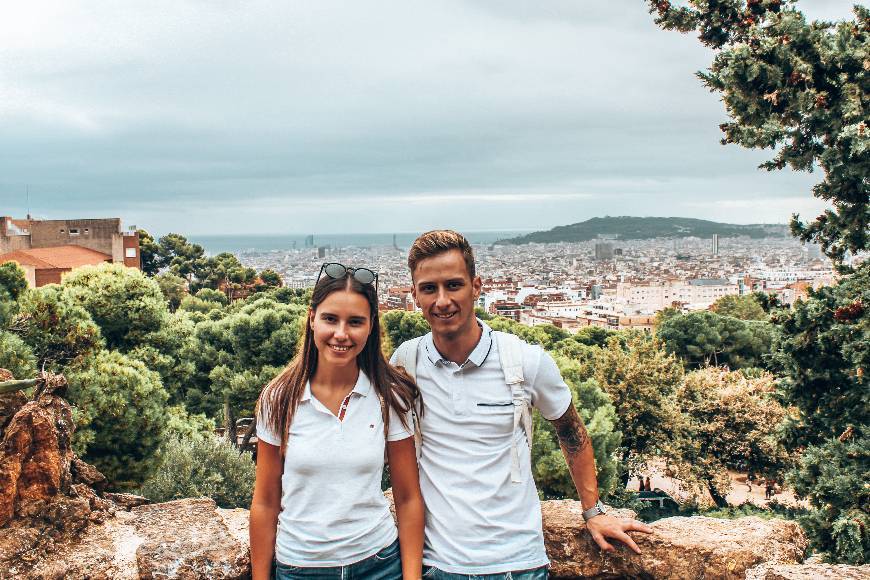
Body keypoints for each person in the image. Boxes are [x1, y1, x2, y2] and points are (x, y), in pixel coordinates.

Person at [391, 230, 652, 579]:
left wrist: (594, 511)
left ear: (476, 286)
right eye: (429, 289)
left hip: (518, 562)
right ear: (414, 295)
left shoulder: (524, 361)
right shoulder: (406, 363)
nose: (442, 301)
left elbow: (570, 430)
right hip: (438, 563)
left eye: (453, 285)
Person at [250, 263, 424, 580]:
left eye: (355, 322)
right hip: (301, 566)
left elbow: (408, 496)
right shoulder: (279, 398)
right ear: (312, 318)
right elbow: (265, 500)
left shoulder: (389, 396)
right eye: (331, 319)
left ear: (371, 326)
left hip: (378, 563)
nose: (341, 334)